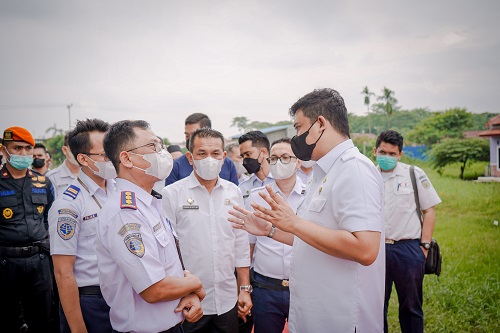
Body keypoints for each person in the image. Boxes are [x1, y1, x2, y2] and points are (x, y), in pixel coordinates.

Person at [228, 88, 385, 333]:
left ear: (320, 124)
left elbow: (365, 249)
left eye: (299, 128)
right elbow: (312, 237)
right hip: (315, 314)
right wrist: (270, 230)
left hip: (341, 318)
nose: (296, 136)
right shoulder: (321, 174)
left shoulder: (354, 169)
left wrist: (295, 223)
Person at [96, 120, 205, 333]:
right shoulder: (126, 213)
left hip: (175, 322)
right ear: (126, 158)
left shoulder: (150, 202)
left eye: (161, 146)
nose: (161, 153)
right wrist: (196, 284)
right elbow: (154, 289)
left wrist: (189, 293)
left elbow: (168, 266)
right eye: (153, 146)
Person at [162, 128, 252, 333]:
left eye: (215, 154)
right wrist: (181, 291)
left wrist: (244, 289)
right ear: (190, 157)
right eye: (202, 153)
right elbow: (167, 251)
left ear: (224, 157)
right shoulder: (171, 194)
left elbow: (240, 242)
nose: (209, 159)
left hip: (228, 300)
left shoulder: (234, 191)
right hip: (189, 302)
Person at [48, 119, 116, 333]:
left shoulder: (120, 191)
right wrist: (78, 329)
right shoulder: (68, 204)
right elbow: (63, 272)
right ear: (83, 159)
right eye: (105, 154)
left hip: (123, 296)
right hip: (92, 301)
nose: (112, 158)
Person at [373, 130, 442, 333]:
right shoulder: (368, 176)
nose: (387, 157)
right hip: (375, 251)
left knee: (411, 307)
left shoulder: (413, 173)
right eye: (383, 152)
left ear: (400, 154)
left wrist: (425, 246)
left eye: (392, 154)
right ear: (375, 151)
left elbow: (429, 210)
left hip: (409, 250)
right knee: (375, 307)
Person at [246, 137, 305, 333]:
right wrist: (245, 287)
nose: (279, 162)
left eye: (285, 157)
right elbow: (249, 245)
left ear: (298, 162)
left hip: (303, 287)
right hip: (265, 287)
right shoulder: (257, 196)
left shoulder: (311, 196)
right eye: (274, 158)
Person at [0, 126, 55, 332]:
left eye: (27, 148)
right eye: (17, 148)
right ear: (5, 151)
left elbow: (49, 219)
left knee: (42, 320)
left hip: (38, 262)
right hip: (6, 264)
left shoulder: (43, 183)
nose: (23, 154)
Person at [165, 113, 239, 186]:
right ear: (190, 158)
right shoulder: (177, 165)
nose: (190, 139)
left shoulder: (227, 163)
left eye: (194, 134)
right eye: (187, 135)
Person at [238, 131, 274, 203]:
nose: (245, 160)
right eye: (242, 156)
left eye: (248, 154)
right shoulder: (242, 187)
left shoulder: (282, 182)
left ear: (264, 152)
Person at [47, 132, 81, 198]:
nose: (79, 153)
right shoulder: (52, 178)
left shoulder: (92, 175)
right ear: (65, 150)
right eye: (75, 148)